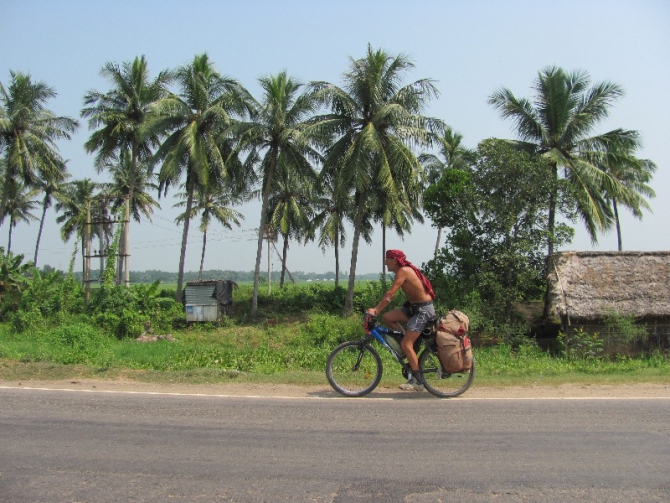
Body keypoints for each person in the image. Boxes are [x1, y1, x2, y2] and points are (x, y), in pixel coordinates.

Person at [367, 249, 436, 391]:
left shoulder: (403, 271)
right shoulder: (403, 271)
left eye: (387, 259)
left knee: (406, 345)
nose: (385, 262)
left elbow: (390, 294)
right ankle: (408, 339)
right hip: (414, 308)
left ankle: (418, 381)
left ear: (395, 260)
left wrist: (376, 310)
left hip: (423, 310)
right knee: (387, 318)